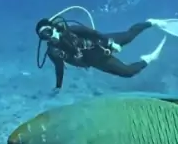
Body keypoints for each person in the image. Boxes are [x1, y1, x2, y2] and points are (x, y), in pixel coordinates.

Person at [36, 16, 166, 92]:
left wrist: (110, 44)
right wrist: (58, 87)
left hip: (102, 44)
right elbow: (59, 69)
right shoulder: (53, 52)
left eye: (48, 32)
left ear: (53, 28)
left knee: (129, 36)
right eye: (44, 36)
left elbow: (94, 33)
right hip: (96, 61)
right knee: (128, 72)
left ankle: (151, 22)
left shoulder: (71, 30)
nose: (49, 37)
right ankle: (148, 59)